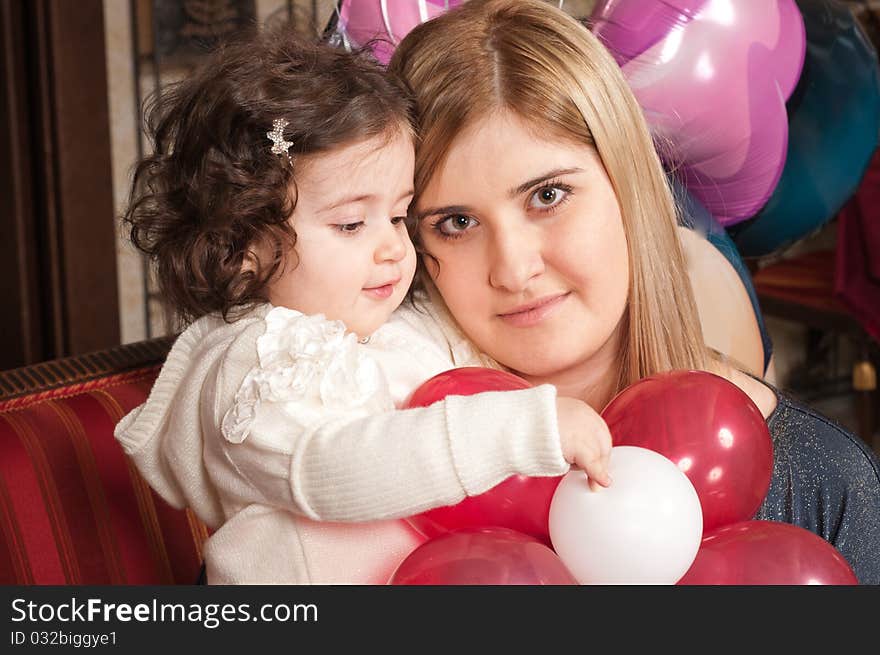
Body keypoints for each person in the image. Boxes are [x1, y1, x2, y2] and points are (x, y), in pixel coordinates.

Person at [387, 0, 880, 583]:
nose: (514, 270)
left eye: (547, 196)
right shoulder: (366, 467)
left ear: (629, 189)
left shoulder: (822, 484)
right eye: (457, 223)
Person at [114, 25, 613, 584]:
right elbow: (332, 466)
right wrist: (519, 431)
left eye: (400, 215)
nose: (393, 247)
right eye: (351, 223)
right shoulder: (257, 361)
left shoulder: (397, 326)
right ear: (244, 248)